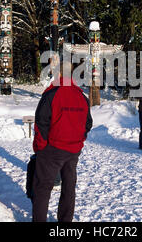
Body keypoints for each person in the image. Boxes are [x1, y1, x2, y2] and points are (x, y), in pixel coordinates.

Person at [32, 61, 93, 222]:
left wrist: (40, 147)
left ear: (58, 74)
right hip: (73, 150)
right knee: (68, 186)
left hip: (52, 149)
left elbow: (40, 123)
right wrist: (79, 139)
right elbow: (88, 123)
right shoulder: (82, 96)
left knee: (42, 188)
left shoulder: (52, 94)